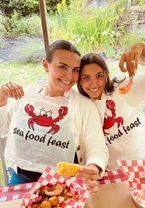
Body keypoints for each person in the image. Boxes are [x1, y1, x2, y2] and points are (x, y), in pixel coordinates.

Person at [0, 40, 108, 190]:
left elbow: (97, 147)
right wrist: (2, 99)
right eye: (62, 67)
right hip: (22, 178)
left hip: (65, 184)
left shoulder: (84, 105)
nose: (70, 76)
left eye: (76, 70)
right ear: (46, 65)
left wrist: (94, 166)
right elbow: (2, 129)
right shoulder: (26, 96)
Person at [77, 42, 145, 171]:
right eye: (86, 78)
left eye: (99, 76)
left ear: (106, 74)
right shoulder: (80, 105)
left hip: (142, 163)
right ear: (79, 81)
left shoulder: (123, 88)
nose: (93, 84)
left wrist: (142, 49)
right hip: (111, 172)